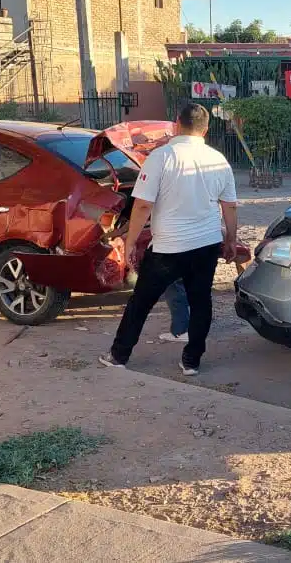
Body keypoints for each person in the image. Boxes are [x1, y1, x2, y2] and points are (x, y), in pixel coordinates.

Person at [100, 103, 238, 376]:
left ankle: (119, 355)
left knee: (140, 303)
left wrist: (129, 242)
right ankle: (191, 361)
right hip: (206, 245)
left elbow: (141, 206)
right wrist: (231, 240)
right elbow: (230, 206)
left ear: (176, 123)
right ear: (206, 130)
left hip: (168, 248)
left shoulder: (161, 157)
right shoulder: (218, 160)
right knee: (201, 302)